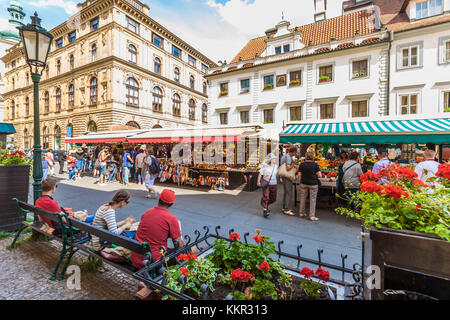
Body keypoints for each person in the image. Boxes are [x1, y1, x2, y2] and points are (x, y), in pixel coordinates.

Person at [130, 189, 184, 270]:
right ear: (171, 204)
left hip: (136, 259)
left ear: (159, 199)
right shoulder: (171, 218)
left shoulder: (147, 212)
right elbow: (179, 246)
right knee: (189, 250)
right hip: (154, 262)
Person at [298, 152, 322, 221]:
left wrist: (299, 183)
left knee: (302, 198)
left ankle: (301, 213)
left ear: (306, 157)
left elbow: (299, 175)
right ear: (312, 157)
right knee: (313, 200)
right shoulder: (315, 165)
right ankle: (312, 216)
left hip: (304, 183)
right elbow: (319, 175)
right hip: (313, 184)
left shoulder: (302, 164)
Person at [257, 153, 278, 218]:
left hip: (274, 183)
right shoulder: (265, 166)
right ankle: (265, 210)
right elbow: (260, 174)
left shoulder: (276, 166)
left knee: (273, 198)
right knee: (266, 196)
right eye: (273, 158)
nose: (275, 159)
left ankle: (265, 204)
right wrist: (258, 181)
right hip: (266, 183)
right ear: (270, 160)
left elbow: (276, 174)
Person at [280, 147, 297, 216]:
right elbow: (288, 168)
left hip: (284, 175)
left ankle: (284, 207)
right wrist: (293, 164)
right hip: (287, 176)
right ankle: (287, 209)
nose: (295, 154)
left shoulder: (284, 156)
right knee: (289, 192)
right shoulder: (288, 157)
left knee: (286, 192)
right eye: (295, 152)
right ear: (293, 152)